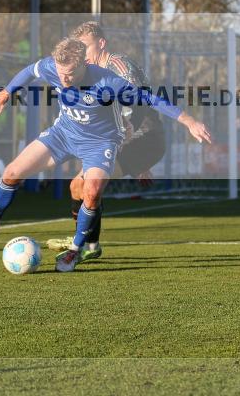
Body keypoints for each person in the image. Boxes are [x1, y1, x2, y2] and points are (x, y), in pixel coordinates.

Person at [0, 38, 211, 272]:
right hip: (63, 135)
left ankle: (75, 251)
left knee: (91, 192)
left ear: (84, 64)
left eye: (70, 74)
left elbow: (150, 98)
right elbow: (27, 72)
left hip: (100, 144)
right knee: (11, 173)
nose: (63, 79)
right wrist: (3, 95)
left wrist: (188, 121)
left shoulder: (107, 81)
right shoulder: (51, 67)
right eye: (60, 73)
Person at [45, 21, 166, 258]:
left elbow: (138, 106)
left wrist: (141, 156)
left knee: (86, 185)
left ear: (101, 44)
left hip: (144, 138)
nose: (81, 53)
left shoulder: (120, 67)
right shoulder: (88, 73)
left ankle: (80, 245)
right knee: (78, 186)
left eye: (86, 47)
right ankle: (89, 244)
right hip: (128, 141)